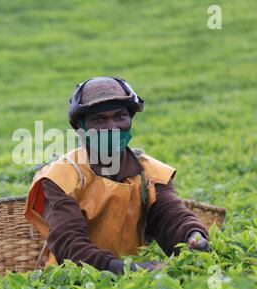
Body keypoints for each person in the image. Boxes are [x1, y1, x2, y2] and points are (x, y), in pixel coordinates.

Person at [23, 76, 209, 274]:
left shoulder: (150, 172)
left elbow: (170, 216)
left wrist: (192, 235)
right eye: (99, 119)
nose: (112, 127)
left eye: (120, 116)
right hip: (75, 282)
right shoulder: (61, 176)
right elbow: (69, 243)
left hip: (137, 280)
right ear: (82, 128)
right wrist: (121, 268)